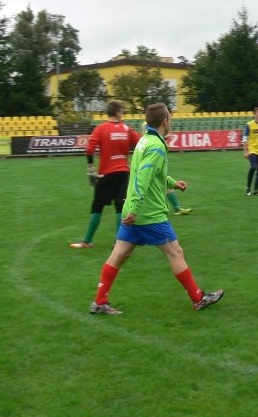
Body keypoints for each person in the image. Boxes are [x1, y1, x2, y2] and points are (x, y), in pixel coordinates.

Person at [89, 102, 223, 314]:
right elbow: (142, 178)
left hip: (132, 211)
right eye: (170, 117)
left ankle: (99, 301)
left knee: (119, 254)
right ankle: (198, 298)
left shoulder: (144, 141)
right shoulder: (156, 146)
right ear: (165, 121)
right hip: (148, 214)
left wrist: (171, 183)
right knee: (175, 252)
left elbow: (150, 174)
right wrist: (135, 209)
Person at [70, 100, 140, 248]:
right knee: (120, 206)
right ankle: (119, 240)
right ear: (118, 112)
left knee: (98, 206)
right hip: (123, 173)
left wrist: (90, 167)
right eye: (122, 111)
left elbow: (89, 149)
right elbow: (140, 142)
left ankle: (87, 241)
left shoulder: (101, 128)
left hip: (106, 174)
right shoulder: (126, 129)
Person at [140, 119, 192, 216]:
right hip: (152, 156)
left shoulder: (146, 124)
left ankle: (177, 208)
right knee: (154, 182)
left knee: (163, 181)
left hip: (152, 156)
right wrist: (164, 137)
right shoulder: (147, 125)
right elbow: (154, 136)